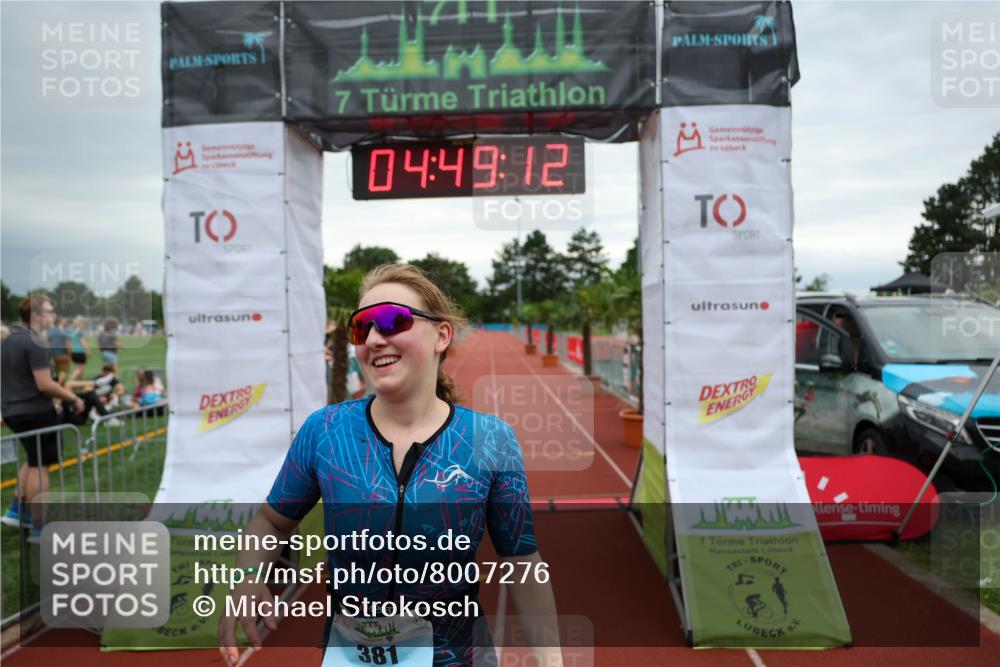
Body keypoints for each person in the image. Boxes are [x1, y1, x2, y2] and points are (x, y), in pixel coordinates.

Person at [218, 264, 561, 667]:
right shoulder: (326, 432)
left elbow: (522, 564)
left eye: (393, 321)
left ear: (441, 335)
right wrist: (248, 576)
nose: (376, 339)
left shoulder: (490, 440)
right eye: (361, 328)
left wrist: (550, 660)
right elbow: (272, 521)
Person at [0, 295, 85, 529]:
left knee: (32, 457)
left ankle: (17, 510)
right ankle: (40, 525)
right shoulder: (35, 341)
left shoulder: (7, 341)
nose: (53, 315)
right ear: (36, 315)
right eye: (48, 311)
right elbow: (45, 384)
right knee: (40, 465)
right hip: (36, 412)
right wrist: (74, 397)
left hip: (12, 412)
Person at [47, 316, 72, 386]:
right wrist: (70, 354)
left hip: (54, 355)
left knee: (59, 372)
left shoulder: (50, 332)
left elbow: (48, 345)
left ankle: (62, 387)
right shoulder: (65, 331)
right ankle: (57, 387)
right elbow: (68, 344)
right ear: (60, 322)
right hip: (63, 354)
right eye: (64, 321)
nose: (65, 322)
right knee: (63, 371)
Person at [68, 316, 89, 381]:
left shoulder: (72, 331)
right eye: (83, 323)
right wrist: (87, 350)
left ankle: (81, 383)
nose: (84, 324)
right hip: (80, 351)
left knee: (79, 367)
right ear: (81, 323)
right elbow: (83, 342)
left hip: (73, 352)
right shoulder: (80, 331)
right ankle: (70, 382)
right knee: (80, 368)